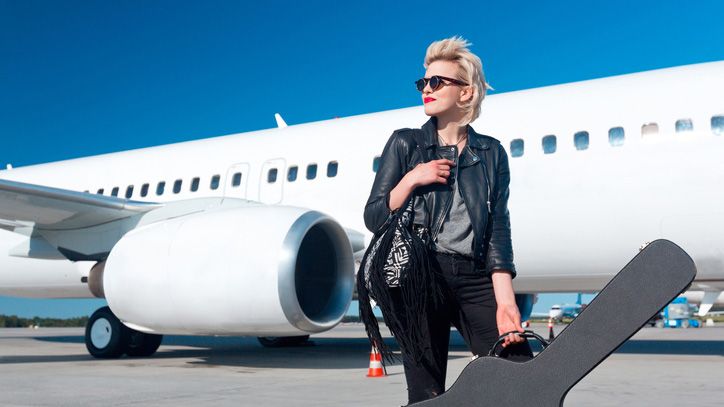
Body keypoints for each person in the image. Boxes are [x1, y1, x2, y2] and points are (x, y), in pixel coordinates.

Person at [363, 36, 533, 404]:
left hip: (473, 277)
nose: (427, 88)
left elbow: (497, 229)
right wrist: (412, 179)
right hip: (420, 275)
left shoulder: (490, 152)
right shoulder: (405, 144)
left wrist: (505, 302)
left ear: (466, 93)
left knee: (520, 370)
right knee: (426, 394)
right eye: (423, 82)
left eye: (437, 81)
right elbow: (374, 215)